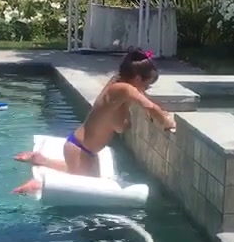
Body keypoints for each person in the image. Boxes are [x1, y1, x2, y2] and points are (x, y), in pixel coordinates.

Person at [12, 48, 176, 194]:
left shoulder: (118, 86)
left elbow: (123, 121)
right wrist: (166, 121)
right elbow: (149, 106)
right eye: (147, 85)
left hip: (84, 150)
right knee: (82, 188)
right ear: (138, 78)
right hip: (80, 148)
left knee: (89, 179)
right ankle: (38, 185)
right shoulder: (124, 89)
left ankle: (40, 160)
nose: (146, 89)